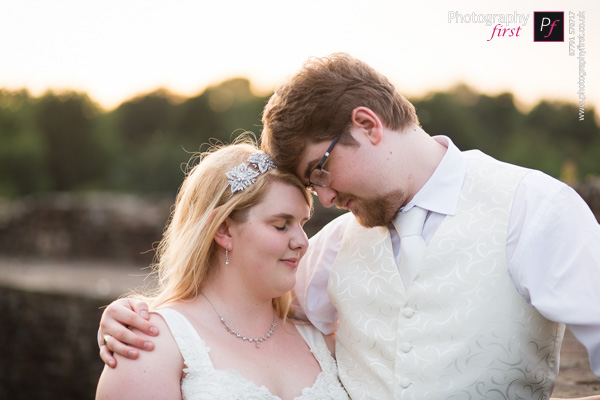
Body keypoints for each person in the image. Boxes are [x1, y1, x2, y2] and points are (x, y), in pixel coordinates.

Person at [98, 54, 600, 399]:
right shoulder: (334, 246)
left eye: (320, 170)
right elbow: (230, 309)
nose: (328, 199)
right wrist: (136, 314)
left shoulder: (534, 207)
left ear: (367, 124)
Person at [95, 142, 349, 399]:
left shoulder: (322, 339)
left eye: (303, 224)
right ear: (224, 230)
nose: (303, 242)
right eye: (282, 225)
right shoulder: (149, 345)